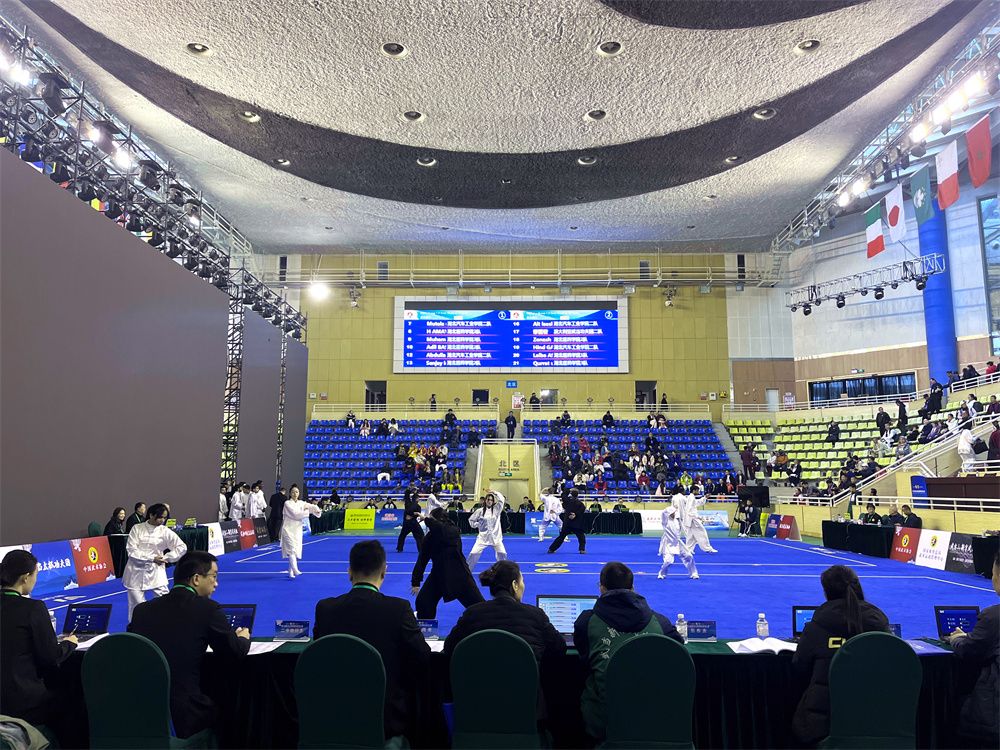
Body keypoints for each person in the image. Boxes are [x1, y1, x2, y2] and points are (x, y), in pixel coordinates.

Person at [314, 541, 430, 742]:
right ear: (384, 571)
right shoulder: (399, 609)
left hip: (333, 718)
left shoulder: (325, 609)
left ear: (349, 572)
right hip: (386, 722)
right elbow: (423, 657)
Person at [128, 551, 250, 739]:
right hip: (184, 713)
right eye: (214, 577)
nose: (216, 583)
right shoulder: (208, 609)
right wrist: (243, 638)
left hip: (138, 709)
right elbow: (234, 653)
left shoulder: (141, 611)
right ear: (196, 579)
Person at [574, 562, 683, 742]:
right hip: (655, 716)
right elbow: (677, 651)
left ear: (601, 588)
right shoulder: (660, 623)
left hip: (604, 720)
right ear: (632, 588)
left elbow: (585, 659)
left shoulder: (586, 622)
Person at [443, 560, 566, 708]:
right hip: (524, 708)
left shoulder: (472, 614)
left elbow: (449, 648)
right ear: (515, 585)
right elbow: (559, 648)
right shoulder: (536, 615)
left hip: (477, 707)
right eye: (522, 581)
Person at [791, 565, 890, 746]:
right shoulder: (879, 623)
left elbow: (800, 666)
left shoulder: (817, 625)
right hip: (878, 716)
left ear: (826, 592)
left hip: (824, 721)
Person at [0, 549, 78, 736]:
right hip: (22, 701)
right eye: (36, 574)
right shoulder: (33, 608)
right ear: (26, 577)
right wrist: (69, 643)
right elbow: (50, 657)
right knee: (72, 695)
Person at [945, 552, 999, 747]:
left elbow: (968, 651)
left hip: (992, 719)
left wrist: (957, 638)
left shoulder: (993, 617)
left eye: (993, 573)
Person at [411, 508, 485, 619]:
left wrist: (426, 519)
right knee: (423, 602)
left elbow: (442, 531)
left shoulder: (453, 530)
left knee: (479, 607)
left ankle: (490, 623)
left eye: (432, 519)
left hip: (460, 575)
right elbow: (422, 559)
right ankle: (427, 627)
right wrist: (416, 581)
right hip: (438, 575)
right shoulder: (429, 538)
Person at [123, 503, 188, 620]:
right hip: (135, 571)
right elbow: (132, 551)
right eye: (160, 517)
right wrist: (152, 558)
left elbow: (181, 547)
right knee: (136, 605)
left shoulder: (165, 531)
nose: (162, 520)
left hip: (157, 570)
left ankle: (164, 625)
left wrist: (167, 557)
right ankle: (135, 627)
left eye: (165, 518)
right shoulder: (137, 528)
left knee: (164, 600)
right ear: (151, 515)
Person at [281, 486, 323, 578]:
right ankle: (295, 569)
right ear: (290, 493)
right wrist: (306, 512)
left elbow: (311, 506)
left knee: (295, 550)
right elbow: (295, 514)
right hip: (288, 529)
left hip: (297, 530)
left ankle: (290, 571)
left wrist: (316, 509)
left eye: (297, 492)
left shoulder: (301, 503)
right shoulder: (287, 503)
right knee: (291, 549)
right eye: (293, 492)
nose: (295, 494)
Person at [466, 491, 507, 569]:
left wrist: (494, 492)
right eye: (488, 499)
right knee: (473, 554)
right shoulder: (480, 511)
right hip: (483, 538)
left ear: (493, 501)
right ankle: (467, 572)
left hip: (496, 538)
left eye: (491, 500)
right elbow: (471, 520)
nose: (489, 501)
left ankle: (502, 571)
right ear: (485, 500)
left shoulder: (497, 509)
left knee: (502, 554)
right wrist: (477, 524)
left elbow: (502, 499)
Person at [658, 503, 698, 580]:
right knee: (668, 561)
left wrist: (675, 508)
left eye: (674, 513)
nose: (674, 514)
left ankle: (694, 573)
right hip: (668, 543)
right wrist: (671, 508)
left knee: (689, 556)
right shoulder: (665, 522)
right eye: (672, 513)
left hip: (678, 543)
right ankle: (662, 573)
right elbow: (663, 513)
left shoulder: (676, 520)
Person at [674, 487, 717, 553]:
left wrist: (704, 497)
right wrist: (697, 517)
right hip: (693, 519)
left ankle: (688, 550)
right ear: (694, 490)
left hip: (691, 519)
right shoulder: (691, 498)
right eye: (697, 490)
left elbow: (696, 503)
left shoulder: (691, 497)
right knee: (702, 533)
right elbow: (689, 510)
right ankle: (708, 548)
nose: (698, 492)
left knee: (691, 536)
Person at [547, 489, 587, 554]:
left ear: (571, 494)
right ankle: (582, 549)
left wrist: (568, 490)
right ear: (577, 495)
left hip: (567, 523)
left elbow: (563, 495)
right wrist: (575, 514)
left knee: (561, 537)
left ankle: (551, 549)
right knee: (581, 537)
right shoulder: (581, 504)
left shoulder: (567, 501)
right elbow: (582, 511)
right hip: (576, 524)